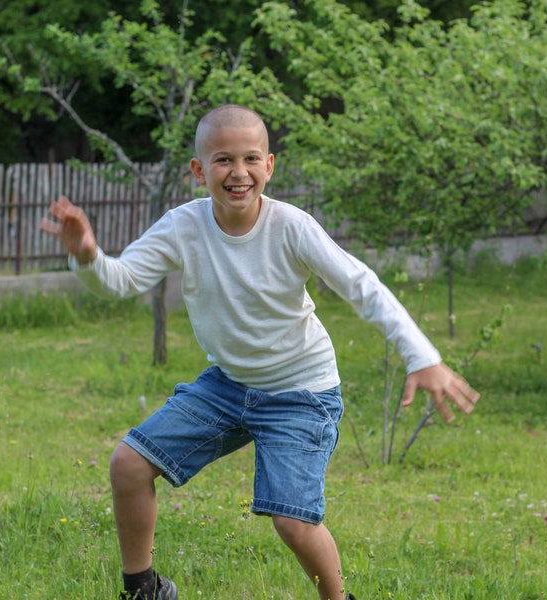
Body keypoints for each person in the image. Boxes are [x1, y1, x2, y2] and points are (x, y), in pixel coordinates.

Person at [40, 104, 480, 600]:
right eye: (223, 159)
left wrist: (421, 355)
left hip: (301, 393)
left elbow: (362, 286)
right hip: (228, 385)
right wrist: (86, 256)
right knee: (129, 464)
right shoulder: (183, 226)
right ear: (198, 170)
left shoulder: (291, 227)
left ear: (269, 166)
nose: (238, 172)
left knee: (292, 521)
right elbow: (121, 281)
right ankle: (143, 589)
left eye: (251, 158)